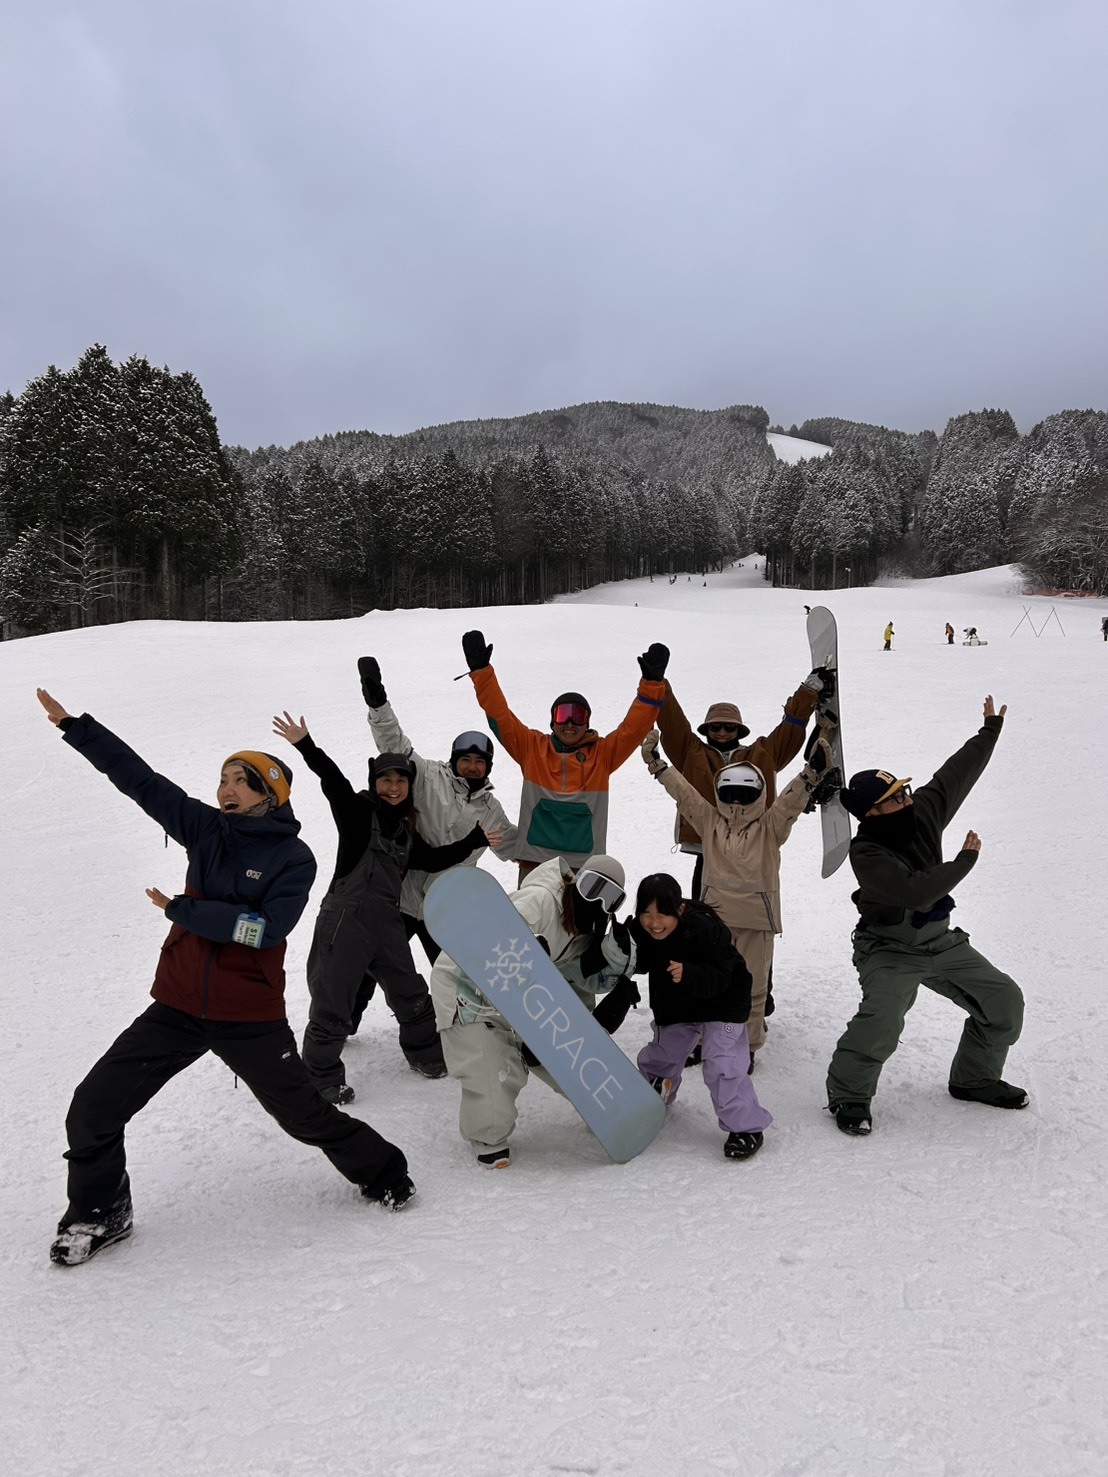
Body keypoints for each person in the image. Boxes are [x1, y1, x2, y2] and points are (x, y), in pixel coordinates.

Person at [38, 689, 414, 1268]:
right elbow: (140, 780)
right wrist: (77, 727)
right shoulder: (205, 830)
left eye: (241, 780)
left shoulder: (296, 859)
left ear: (270, 794)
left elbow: (261, 931)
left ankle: (385, 1171)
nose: (225, 789)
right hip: (178, 1007)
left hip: (248, 1018)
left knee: (305, 1117)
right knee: (92, 1107)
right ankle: (99, 1212)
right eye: (222, 780)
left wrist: (182, 911)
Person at [825, 695, 1026, 1137]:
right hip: (888, 947)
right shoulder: (867, 852)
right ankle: (849, 1094)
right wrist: (964, 862)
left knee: (1003, 1001)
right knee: (883, 1017)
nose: (907, 800)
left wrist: (989, 730)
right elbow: (917, 892)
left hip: (939, 940)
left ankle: (975, 1079)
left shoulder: (924, 812)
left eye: (904, 791)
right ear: (871, 812)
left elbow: (956, 774)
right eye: (896, 798)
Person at [272, 713, 495, 1101]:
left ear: (409, 786)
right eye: (386, 780)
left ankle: (426, 1055)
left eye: (401, 781)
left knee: (410, 993)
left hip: (387, 922)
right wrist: (305, 744)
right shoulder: (358, 813)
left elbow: (432, 859)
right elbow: (332, 780)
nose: (393, 788)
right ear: (375, 783)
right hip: (346, 919)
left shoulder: (404, 830)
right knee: (334, 1000)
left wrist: (474, 839)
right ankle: (321, 1076)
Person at [429, 855, 638, 1167]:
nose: (597, 900)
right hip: (468, 992)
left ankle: (601, 1107)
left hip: (522, 1002)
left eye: (611, 898)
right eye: (592, 886)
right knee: (497, 1078)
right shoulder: (541, 900)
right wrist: (524, 944)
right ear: (577, 881)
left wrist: (616, 963)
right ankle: (487, 1135)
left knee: (566, 1055)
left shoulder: (582, 931)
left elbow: (585, 979)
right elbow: (492, 934)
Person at [640, 729, 825, 1064]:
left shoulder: (770, 826)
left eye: (744, 793)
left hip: (755, 922)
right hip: (715, 923)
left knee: (751, 988)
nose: (737, 801)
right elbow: (685, 795)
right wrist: (658, 766)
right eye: (730, 793)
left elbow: (789, 804)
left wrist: (810, 775)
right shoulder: (710, 820)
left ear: (757, 794)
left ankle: (747, 1046)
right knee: (704, 980)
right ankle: (700, 1040)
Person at [459, 629, 667, 881]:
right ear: (552, 721)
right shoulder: (532, 748)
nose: (569, 723)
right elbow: (499, 715)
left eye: (578, 716)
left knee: (575, 923)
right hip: (534, 864)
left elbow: (633, 730)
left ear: (587, 722)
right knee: (530, 921)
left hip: (583, 868)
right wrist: (481, 671)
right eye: (562, 715)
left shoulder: (602, 755)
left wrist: (652, 684)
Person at [357, 655, 518, 968]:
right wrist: (378, 703)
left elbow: (515, 846)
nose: (472, 766)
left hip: (443, 910)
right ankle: (341, 1017)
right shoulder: (427, 775)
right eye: (466, 759)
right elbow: (393, 743)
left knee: (456, 979)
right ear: (454, 759)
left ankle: (460, 1019)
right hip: (401, 900)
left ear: (488, 767)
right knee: (371, 967)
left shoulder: (490, 811)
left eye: (479, 761)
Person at [628, 874, 771, 1160]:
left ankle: (746, 1127)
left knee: (722, 1063)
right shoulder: (643, 932)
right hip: (679, 1004)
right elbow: (641, 961)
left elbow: (724, 973)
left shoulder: (704, 928)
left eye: (662, 914)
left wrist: (692, 973)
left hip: (723, 1002)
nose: (654, 923)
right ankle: (652, 1093)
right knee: (663, 1054)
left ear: (679, 910)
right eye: (646, 914)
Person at [656, 663, 824, 899]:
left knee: (745, 908)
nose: (722, 732)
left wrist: (808, 692)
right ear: (706, 729)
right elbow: (672, 722)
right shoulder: (691, 753)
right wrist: (657, 683)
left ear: (739, 730)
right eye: (715, 727)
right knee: (704, 912)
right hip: (708, 843)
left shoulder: (761, 754)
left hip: (751, 842)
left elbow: (790, 729)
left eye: (729, 727)